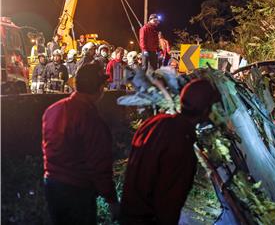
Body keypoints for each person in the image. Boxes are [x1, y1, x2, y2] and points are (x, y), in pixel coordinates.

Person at [119, 79, 220, 225]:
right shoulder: (182, 146)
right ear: (206, 111)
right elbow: (169, 203)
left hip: (128, 214)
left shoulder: (154, 123)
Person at [42, 63, 120, 225]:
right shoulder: (91, 119)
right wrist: (112, 201)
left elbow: (47, 149)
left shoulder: (52, 110)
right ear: (99, 88)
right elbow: (100, 165)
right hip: (78, 191)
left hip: (52, 186)